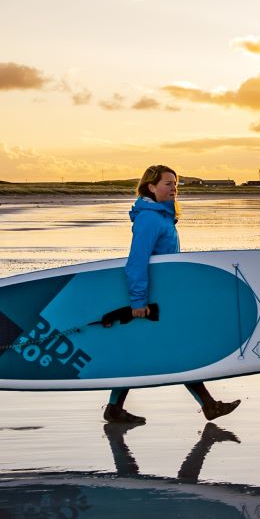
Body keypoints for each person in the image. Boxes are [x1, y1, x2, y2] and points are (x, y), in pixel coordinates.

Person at [101, 164, 241, 426]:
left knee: (160, 347)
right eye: (168, 184)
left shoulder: (162, 217)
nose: (174, 188)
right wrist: (138, 301)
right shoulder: (149, 219)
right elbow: (137, 261)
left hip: (166, 295)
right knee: (175, 347)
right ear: (151, 187)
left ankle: (114, 408)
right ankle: (207, 404)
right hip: (154, 298)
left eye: (176, 184)